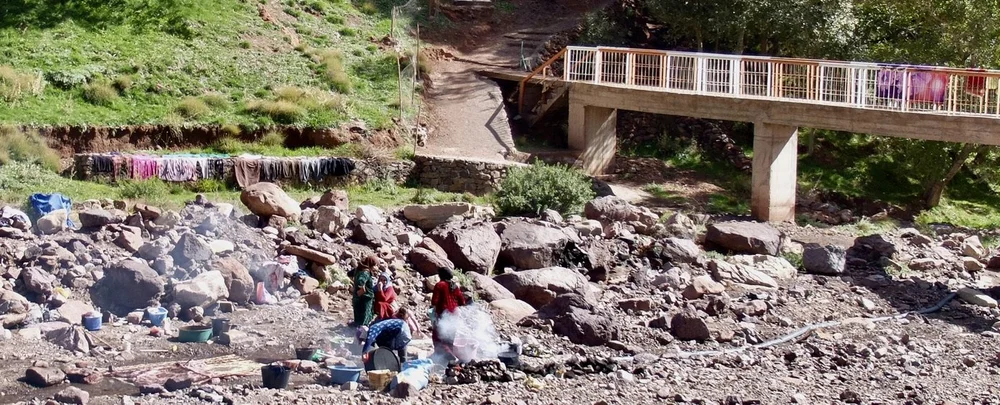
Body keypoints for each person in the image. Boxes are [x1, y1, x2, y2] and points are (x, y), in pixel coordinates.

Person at [430, 267, 466, 346]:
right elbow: (462, 301)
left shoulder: (439, 285)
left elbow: (434, 301)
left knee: (438, 335)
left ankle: (440, 354)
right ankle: (450, 354)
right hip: (454, 314)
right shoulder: (454, 286)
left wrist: (433, 311)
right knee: (450, 335)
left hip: (443, 314)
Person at [351, 256, 379, 327]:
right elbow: (361, 281)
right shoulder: (365, 272)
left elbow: (349, 274)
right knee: (365, 315)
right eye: (375, 265)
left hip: (357, 296)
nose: (375, 267)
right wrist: (362, 290)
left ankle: (356, 327)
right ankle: (361, 330)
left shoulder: (359, 268)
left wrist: (355, 284)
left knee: (358, 313)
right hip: (365, 298)